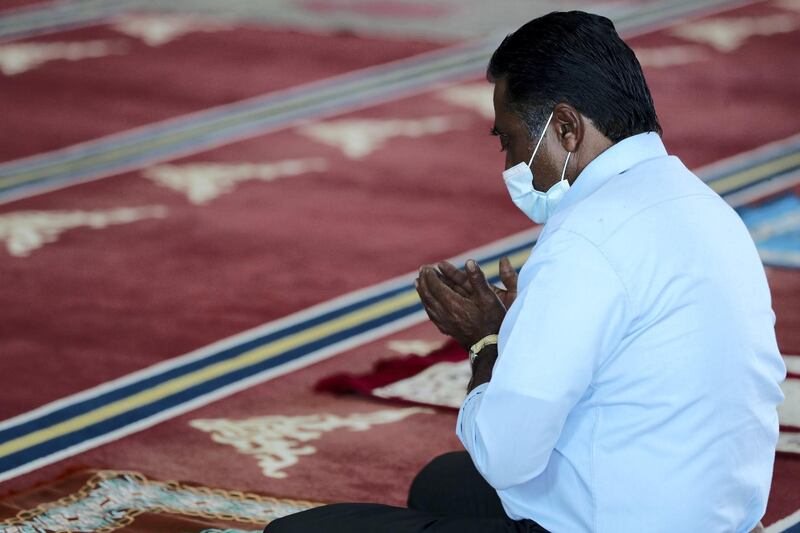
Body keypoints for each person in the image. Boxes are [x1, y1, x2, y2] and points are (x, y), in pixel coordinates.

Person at [265, 10, 785, 533]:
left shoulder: (586, 239)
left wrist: (487, 341)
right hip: (722, 518)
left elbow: (505, 455)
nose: (510, 164)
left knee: (295, 532)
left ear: (565, 128)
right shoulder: (704, 206)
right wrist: (527, 329)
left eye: (508, 140)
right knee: (442, 483)